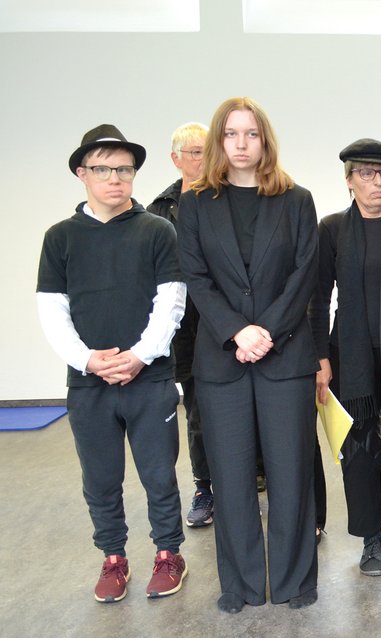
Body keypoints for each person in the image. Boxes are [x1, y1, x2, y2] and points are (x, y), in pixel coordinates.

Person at [177, 97, 320, 613]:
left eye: (251, 134)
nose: (241, 144)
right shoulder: (196, 204)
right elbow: (196, 278)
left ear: (265, 141)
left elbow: (304, 273)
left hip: (285, 358)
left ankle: (294, 582)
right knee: (232, 478)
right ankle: (239, 586)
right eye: (232, 134)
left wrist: (267, 332)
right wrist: (238, 332)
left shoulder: (296, 200)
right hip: (223, 362)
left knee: (291, 476)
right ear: (219, 140)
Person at [36, 124, 188, 602]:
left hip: (150, 379)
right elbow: (52, 310)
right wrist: (87, 360)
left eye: (124, 169)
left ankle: (168, 553)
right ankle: (113, 557)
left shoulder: (158, 231)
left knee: (159, 475)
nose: (115, 178)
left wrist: (140, 356)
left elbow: (172, 302)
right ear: (82, 174)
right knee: (100, 479)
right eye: (103, 169)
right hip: (89, 385)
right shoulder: (60, 238)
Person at [311, 138, 381, 575]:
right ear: (349, 179)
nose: (378, 182)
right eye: (367, 173)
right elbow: (318, 298)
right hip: (351, 353)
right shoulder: (332, 229)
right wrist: (320, 358)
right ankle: (372, 538)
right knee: (359, 451)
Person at [148, 122, 215, 528]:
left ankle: (252, 475)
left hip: (225, 323)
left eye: (208, 150)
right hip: (185, 330)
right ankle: (205, 487)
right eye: (195, 152)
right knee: (197, 412)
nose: (204, 159)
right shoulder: (159, 210)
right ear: (176, 159)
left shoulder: (228, 198)